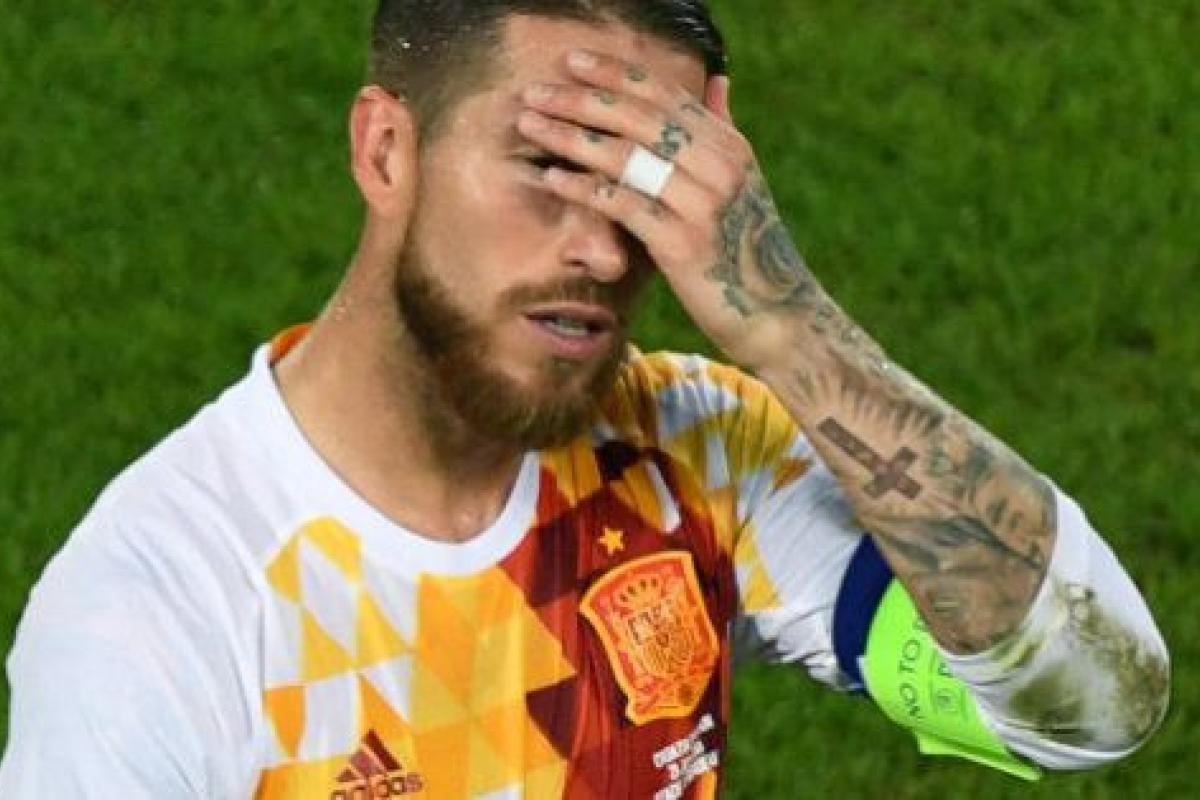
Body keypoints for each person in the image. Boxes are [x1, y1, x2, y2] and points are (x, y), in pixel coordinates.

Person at [0, 1, 1170, 797]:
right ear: (386, 150)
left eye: (648, 187)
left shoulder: (699, 455)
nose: (605, 250)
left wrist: (785, 321)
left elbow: (1089, 700)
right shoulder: (162, 605)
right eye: (552, 165)